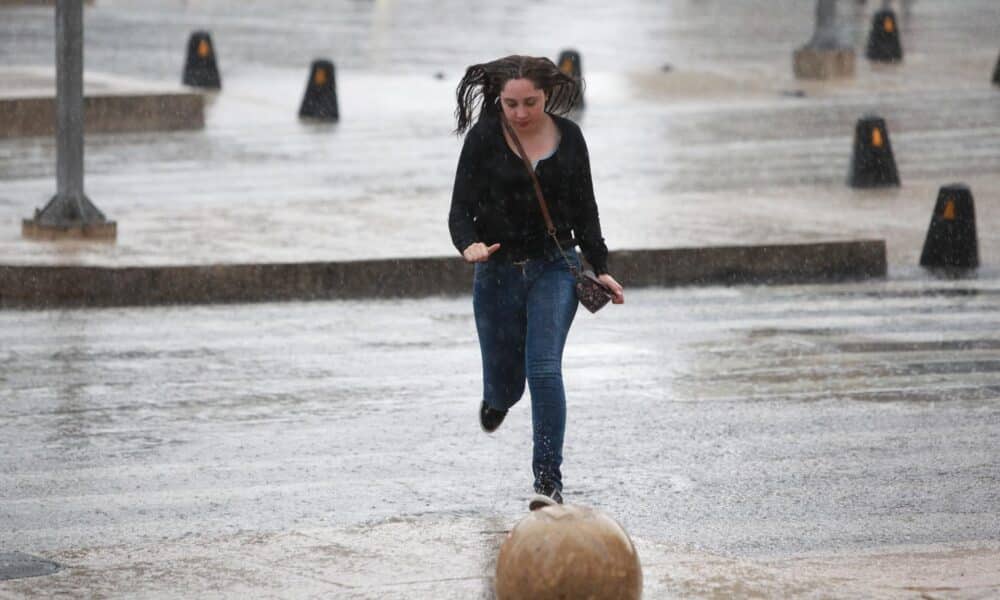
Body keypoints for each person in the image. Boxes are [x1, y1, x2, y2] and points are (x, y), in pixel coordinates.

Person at [448, 55, 625, 510]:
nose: (521, 113)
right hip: (497, 269)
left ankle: (548, 481)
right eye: (511, 104)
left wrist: (600, 265)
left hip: (554, 265)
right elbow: (459, 209)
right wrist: (467, 244)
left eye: (530, 102)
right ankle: (496, 399)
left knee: (544, 367)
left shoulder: (570, 138)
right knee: (507, 386)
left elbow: (586, 210)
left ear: (547, 95)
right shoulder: (485, 136)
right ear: (499, 100)